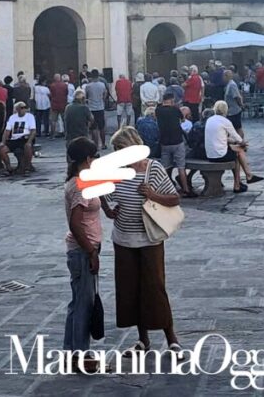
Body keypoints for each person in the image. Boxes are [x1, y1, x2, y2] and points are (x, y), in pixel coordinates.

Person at [100, 126, 183, 355]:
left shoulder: (152, 168)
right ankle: (142, 339)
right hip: (123, 238)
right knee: (130, 289)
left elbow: (175, 198)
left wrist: (152, 194)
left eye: (120, 148)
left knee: (155, 287)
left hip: (149, 238)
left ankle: (171, 337)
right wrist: (108, 209)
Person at [63, 136, 104, 374]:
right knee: (83, 305)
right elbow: (76, 223)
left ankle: (71, 350)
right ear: (88, 159)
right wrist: (91, 252)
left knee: (77, 302)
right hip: (82, 249)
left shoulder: (77, 182)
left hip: (80, 249)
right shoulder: (80, 185)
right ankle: (81, 354)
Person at [205, 101, 264, 193]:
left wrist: (237, 143)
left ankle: (244, 179)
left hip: (210, 154)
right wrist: (243, 143)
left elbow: (221, 138)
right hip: (219, 154)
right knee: (239, 153)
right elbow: (236, 136)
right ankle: (243, 180)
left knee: (237, 152)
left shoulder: (210, 120)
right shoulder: (225, 121)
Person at [156, 93, 196, 198]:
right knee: (181, 167)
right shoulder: (175, 109)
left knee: (165, 167)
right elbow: (182, 120)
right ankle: (186, 189)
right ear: (171, 100)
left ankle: (165, 188)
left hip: (164, 142)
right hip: (177, 141)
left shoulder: (158, 110)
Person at [0, 102, 36, 176]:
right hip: (14, 139)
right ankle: (8, 167)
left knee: (28, 147)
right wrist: (3, 142)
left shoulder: (30, 116)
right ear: (17, 109)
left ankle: (27, 167)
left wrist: (29, 141)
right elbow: (7, 131)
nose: (23, 109)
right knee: (1, 149)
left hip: (25, 138)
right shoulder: (12, 117)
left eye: (24, 107)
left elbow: (33, 130)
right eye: (21, 108)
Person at [85, 75, 108, 150]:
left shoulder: (88, 86)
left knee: (93, 128)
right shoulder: (102, 85)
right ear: (98, 76)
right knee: (102, 127)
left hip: (92, 108)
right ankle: (103, 144)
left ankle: (96, 145)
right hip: (100, 108)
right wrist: (102, 100)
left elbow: (86, 96)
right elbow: (105, 94)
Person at [222, 70, 246, 138]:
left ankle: (241, 142)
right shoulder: (229, 84)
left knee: (237, 128)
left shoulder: (232, 85)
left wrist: (241, 105)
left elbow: (236, 97)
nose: (222, 78)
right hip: (230, 111)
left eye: (223, 76)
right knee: (232, 128)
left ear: (227, 76)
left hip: (234, 111)